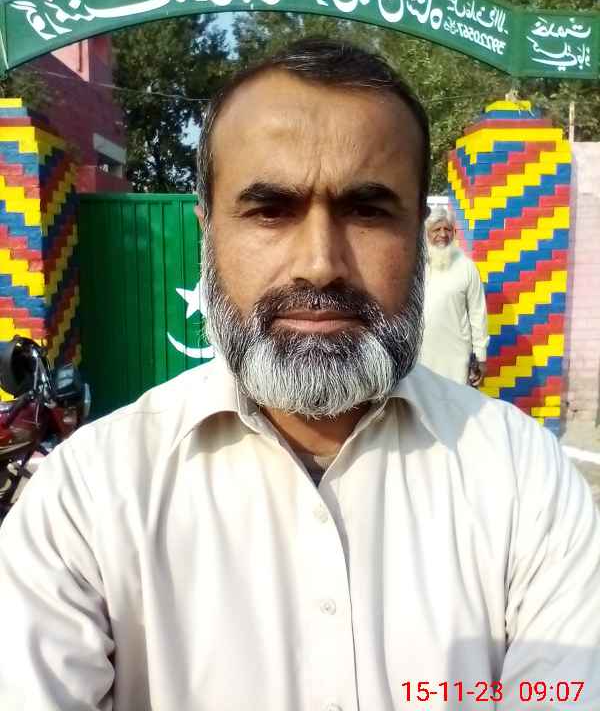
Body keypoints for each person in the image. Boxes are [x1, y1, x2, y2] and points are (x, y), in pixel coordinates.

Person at [0, 39, 599, 711]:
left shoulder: (522, 480)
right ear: (208, 234)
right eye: (270, 210)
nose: (320, 264)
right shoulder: (87, 499)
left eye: (367, 211)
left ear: (417, 235)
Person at [419, 205, 489, 385]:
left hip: (457, 361)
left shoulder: (466, 267)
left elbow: (478, 313)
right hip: (421, 359)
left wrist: (480, 357)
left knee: (457, 401)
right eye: (437, 229)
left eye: (447, 229)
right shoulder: (416, 267)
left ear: (454, 233)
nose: (443, 234)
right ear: (427, 233)